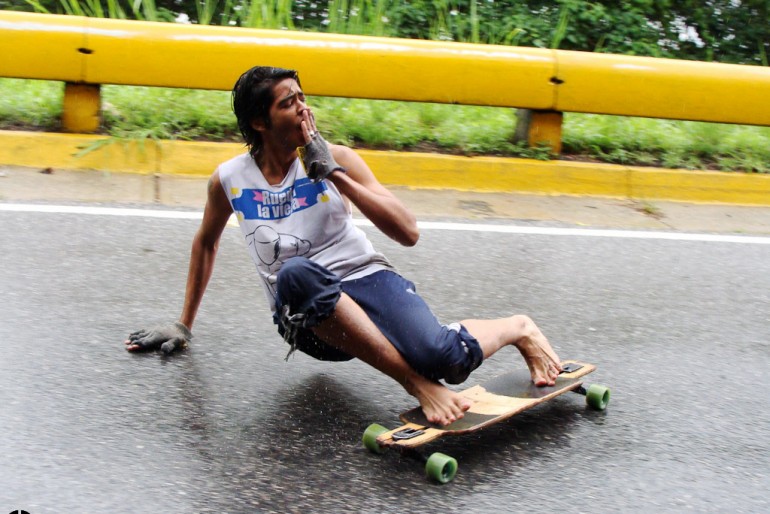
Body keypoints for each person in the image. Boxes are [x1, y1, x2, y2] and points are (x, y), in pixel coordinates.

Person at [125, 66, 562, 427]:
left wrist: (334, 173)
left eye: (302, 97)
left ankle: (519, 328)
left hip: (368, 280)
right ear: (260, 122)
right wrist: (183, 324)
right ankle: (416, 384)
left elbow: (408, 232)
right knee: (295, 273)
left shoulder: (338, 159)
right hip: (308, 314)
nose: (304, 109)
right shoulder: (229, 180)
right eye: (288, 103)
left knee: (443, 358)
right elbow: (205, 244)